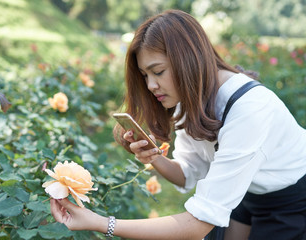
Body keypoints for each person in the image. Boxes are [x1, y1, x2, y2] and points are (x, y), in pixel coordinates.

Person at [50, 9, 306, 239]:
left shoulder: (249, 111)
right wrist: (154, 158)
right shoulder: (191, 99)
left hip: (294, 201)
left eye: (158, 72)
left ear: (189, 61)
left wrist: (103, 223)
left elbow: (196, 225)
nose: (151, 86)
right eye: (145, 75)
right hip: (246, 191)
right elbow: (187, 173)